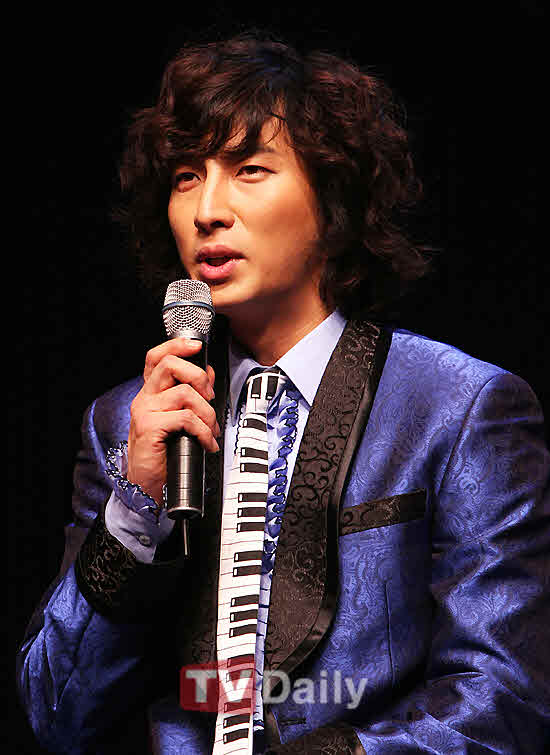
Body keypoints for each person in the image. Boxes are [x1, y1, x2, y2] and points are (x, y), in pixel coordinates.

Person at [17, 31, 550, 754]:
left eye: (249, 169)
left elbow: (503, 697)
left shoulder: (457, 407)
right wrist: (134, 509)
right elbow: (56, 714)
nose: (207, 209)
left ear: (333, 198)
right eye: (185, 176)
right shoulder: (124, 422)